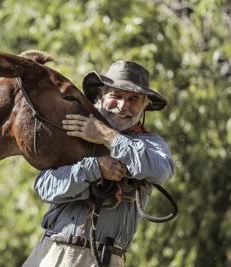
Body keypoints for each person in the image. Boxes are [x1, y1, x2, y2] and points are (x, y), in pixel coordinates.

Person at [22, 60, 174, 267]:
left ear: (144, 106)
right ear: (100, 96)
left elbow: (162, 170)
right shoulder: (75, 129)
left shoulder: (150, 144)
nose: (122, 106)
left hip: (107, 259)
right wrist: (96, 167)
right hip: (55, 253)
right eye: (116, 96)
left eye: (133, 99)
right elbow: (45, 187)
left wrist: (107, 136)